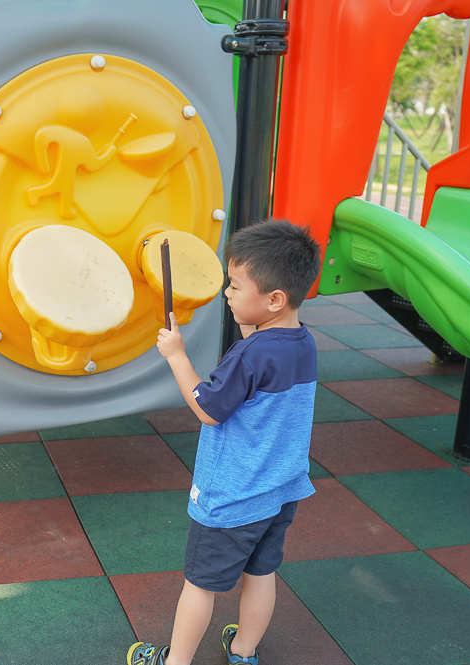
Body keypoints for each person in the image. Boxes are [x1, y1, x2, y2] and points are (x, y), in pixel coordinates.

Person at [128, 219, 322, 665]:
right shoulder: (302, 341)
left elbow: (207, 409)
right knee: (262, 571)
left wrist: (177, 356)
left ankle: (174, 662)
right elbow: (263, 370)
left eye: (234, 286)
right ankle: (243, 651)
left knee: (200, 584)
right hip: (280, 490)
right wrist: (247, 321)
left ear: (274, 299)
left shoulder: (249, 355)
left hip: (231, 497)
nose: (227, 294)